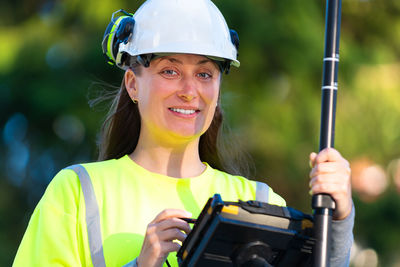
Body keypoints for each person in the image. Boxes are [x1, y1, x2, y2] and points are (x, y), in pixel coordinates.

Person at [13, 0, 354, 266]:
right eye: (170, 70)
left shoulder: (262, 203)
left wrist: (339, 217)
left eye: (205, 74)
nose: (190, 91)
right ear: (133, 83)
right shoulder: (77, 193)